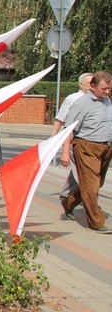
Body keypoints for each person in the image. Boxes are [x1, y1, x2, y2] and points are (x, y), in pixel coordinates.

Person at [60, 71, 112, 234]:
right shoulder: (81, 103)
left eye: (109, 89)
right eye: (103, 89)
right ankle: (95, 222)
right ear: (92, 86)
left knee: (97, 183)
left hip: (106, 148)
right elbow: (69, 129)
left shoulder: (107, 101)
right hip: (86, 147)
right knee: (91, 186)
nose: (106, 92)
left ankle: (69, 202)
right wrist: (65, 152)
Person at [52, 72, 93, 202]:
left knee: (78, 169)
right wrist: (53, 136)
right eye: (89, 84)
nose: (92, 86)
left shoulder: (97, 99)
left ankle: (65, 194)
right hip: (73, 139)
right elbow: (60, 118)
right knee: (83, 174)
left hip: (90, 141)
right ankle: (90, 202)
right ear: (81, 84)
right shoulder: (72, 98)